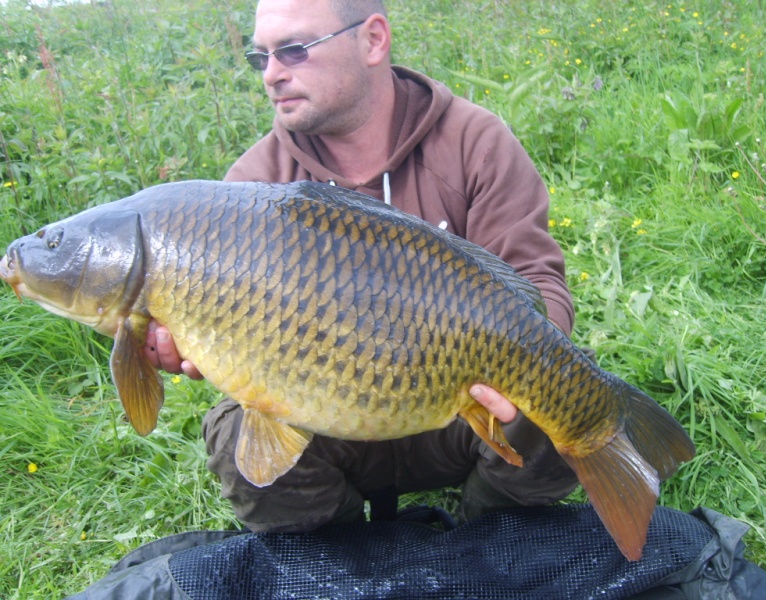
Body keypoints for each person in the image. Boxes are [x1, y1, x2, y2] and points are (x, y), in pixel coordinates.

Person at [143, 0, 579, 533]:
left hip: (458, 407)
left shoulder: (474, 141)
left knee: (561, 396)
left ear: (373, 40)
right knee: (239, 438)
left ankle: (484, 534)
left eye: (295, 50)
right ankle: (346, 562)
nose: (273, 74)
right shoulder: (255, 186)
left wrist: (523, 367)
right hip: (326, 410)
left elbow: (537, 282)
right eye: (261, 58)